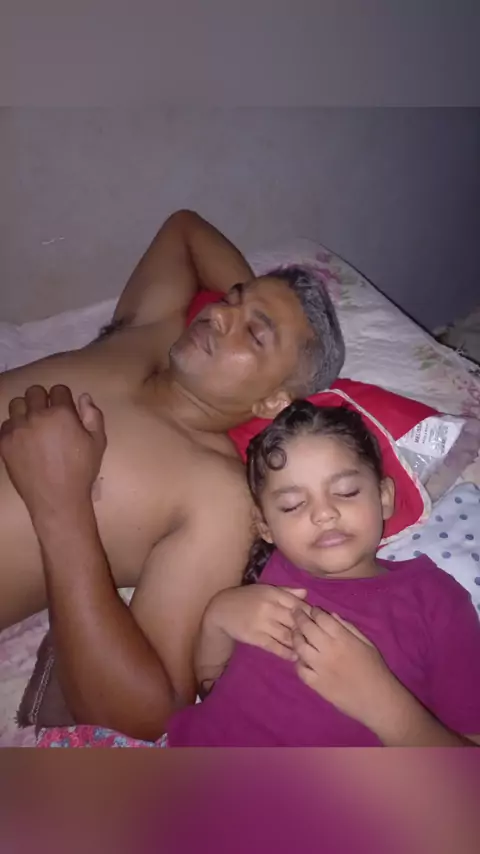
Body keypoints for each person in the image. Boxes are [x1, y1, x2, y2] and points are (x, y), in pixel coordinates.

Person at [0, 211, 345, 740]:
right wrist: (259, 302)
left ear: (273, 401)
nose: (218, 315)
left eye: (254, 333)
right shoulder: (149, 335)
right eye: (230, 301)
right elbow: (185, 231)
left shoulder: (216, 495)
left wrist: (60, 507)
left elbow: (145, 712)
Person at [36, 401, 480, 747]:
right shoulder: (269, 573)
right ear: (265, 526)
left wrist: (383, 703)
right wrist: (218, 617)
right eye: (293, 504)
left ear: (384, 497)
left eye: (346, 491)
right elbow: (210, 687)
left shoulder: (434, 598)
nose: (324, 513)